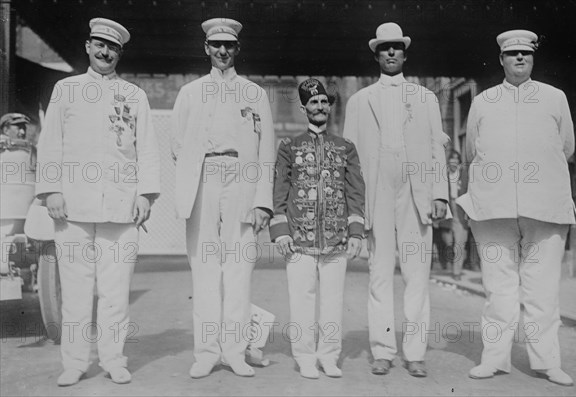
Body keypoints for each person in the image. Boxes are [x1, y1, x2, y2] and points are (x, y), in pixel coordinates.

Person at [35, 18, 161, 386]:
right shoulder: (66, 89)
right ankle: (74, 362)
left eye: (113, 47)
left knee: (115, 291)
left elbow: (147, 149)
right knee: (75, 289)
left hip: (120, 208)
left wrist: (145, 194)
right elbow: (51, 142)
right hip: (71, 206)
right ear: (88, 46)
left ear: (120, 52)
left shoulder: (134, 95)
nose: (105, 52)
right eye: (99, 45)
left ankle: (113, 358)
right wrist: (51, 190)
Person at [456, 30, 576, 387]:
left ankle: (547, 362)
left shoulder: (555, 99)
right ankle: (494, 359)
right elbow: (470, 154)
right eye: (513, 55)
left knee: (542, 289)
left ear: (533, 58)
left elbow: (566, 147)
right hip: (493, 206)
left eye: (526, 53)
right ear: (501, 60)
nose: (520, 59)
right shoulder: (484, 101)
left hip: (545, 204)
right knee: (499, 288)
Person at [343, 22, 449, 377]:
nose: (391, 53)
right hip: (377, 191)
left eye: (396, 48)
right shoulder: (360, 101)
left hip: (415, 189)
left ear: (404, 53)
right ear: (376, 54)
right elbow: (350, 158)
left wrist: (439, 195)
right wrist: (354, 209)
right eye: (384, 48)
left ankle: (415, 352)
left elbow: (437, 148)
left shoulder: (425, 98)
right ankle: (384, 350)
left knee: (417, 274)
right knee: (379, 273)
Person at [171, 18, 275, 379]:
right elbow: (177, 144)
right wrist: (192, 176)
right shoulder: (190, 92)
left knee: (238, 269)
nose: (222, 51)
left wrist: (263, 201)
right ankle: (206, 351)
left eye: (228, 46)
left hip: (242, 178)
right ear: (206, 48)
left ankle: (234, 351)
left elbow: (266, 151)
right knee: (204, 268)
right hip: (204, 177)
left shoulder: (255, 93)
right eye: (216, 45)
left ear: (237, 49)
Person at [270, 78, 365, 379]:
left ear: (329, 106)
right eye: (313, 102)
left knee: (333, 300)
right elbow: (279, 188)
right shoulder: (289, 147)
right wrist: (281, 229)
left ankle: (329, 356)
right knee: (301, 299)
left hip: (337, 237)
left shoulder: (345, 147)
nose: (320, 106)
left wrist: (356, 230)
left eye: (324, 101)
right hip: (299, 237)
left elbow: (355, 189)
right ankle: (305, 357)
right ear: (303, 108)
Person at [434, 149, 468, 280]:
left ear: (459, 162)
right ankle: (449, 264)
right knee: (448, 242)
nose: (454, 162)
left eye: (456, 160)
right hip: (448, 210)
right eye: (451, 160)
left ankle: (456, 272)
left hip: (460, 209)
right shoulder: (444, 176)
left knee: (460, 243)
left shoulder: (464, 176)